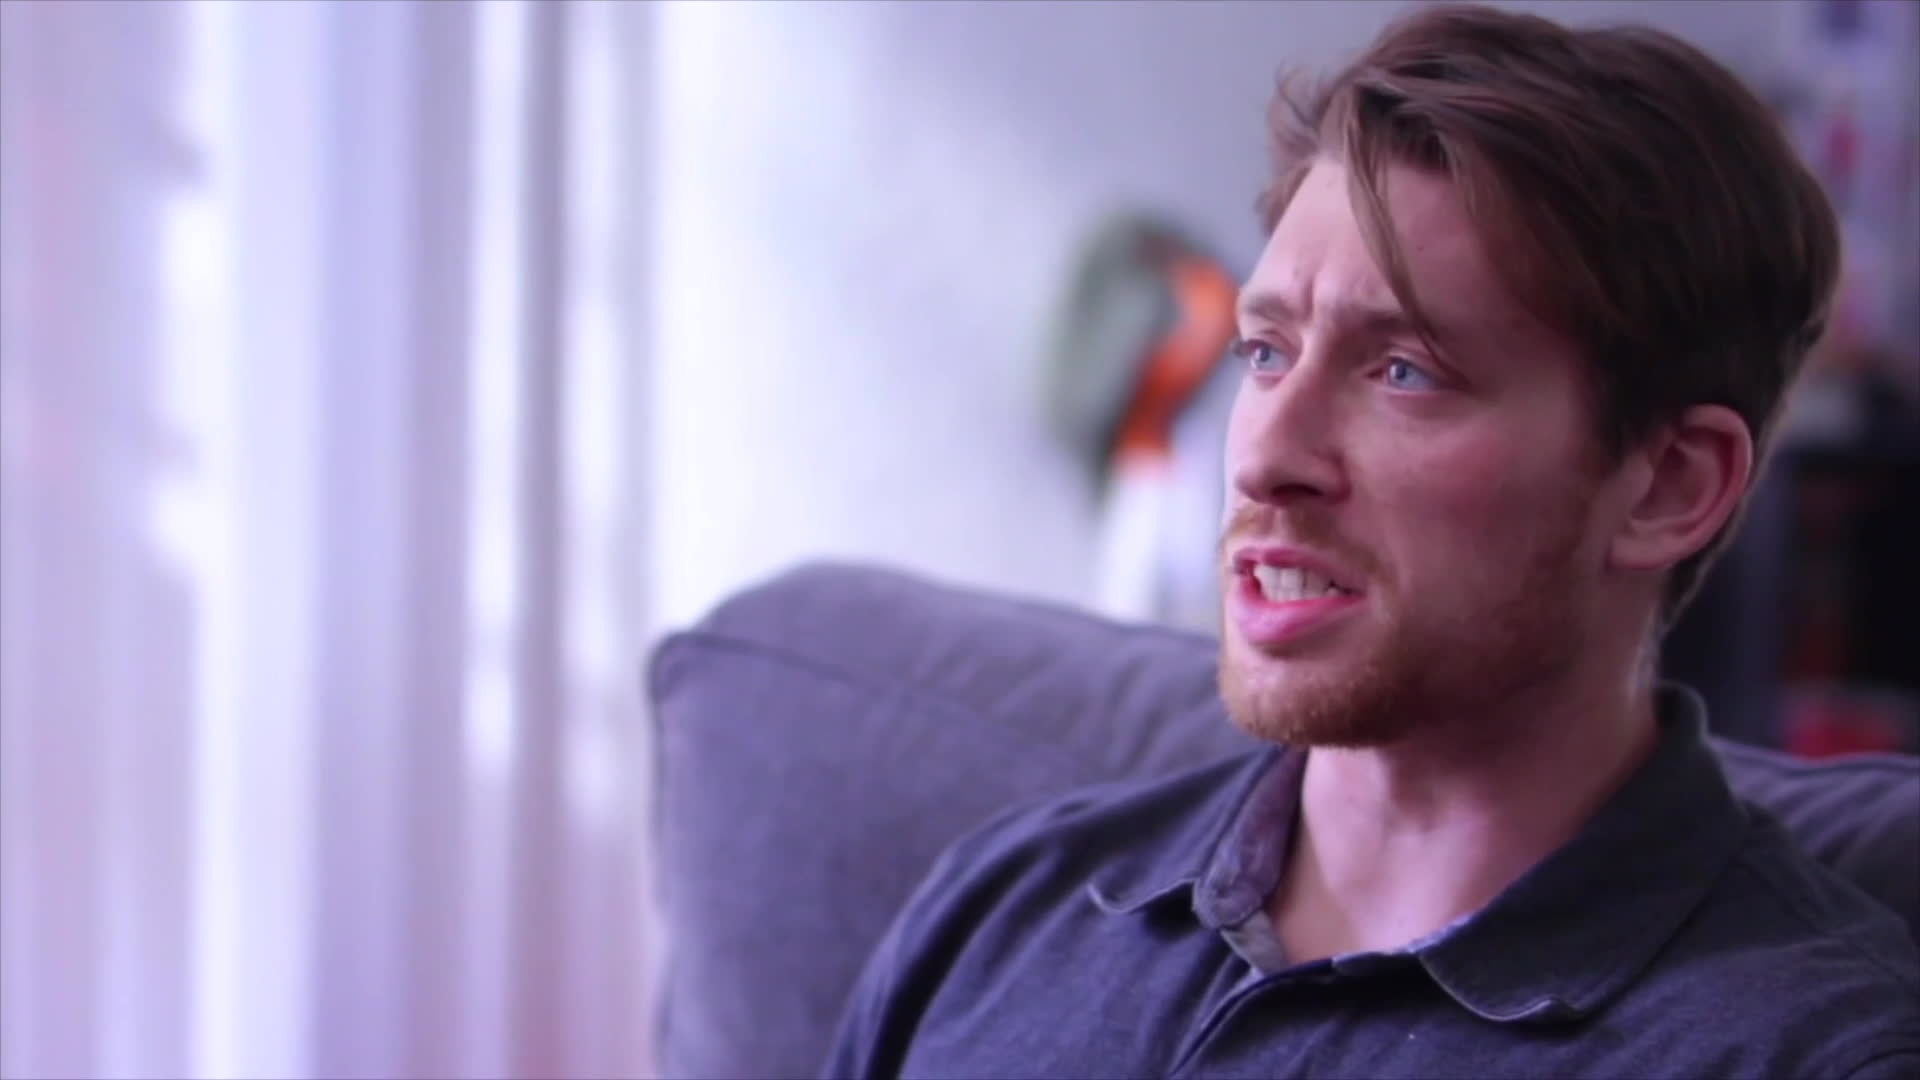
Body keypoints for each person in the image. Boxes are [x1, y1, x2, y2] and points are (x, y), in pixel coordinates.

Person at [820, 4, 1920, 1078]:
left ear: (1670, 488)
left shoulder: (1807, 1049)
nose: (1263, 458)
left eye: (1404, 372)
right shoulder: (1006, 908)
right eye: (1265, 353)